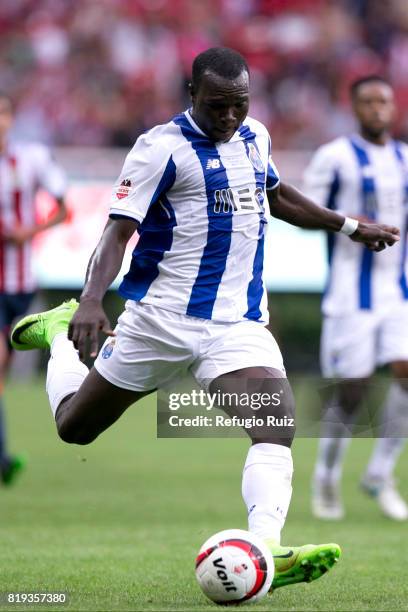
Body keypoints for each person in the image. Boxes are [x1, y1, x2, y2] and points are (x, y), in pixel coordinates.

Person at [11, 49, 399, 591]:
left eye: (240, 105)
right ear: (191, 93)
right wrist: (93, 300)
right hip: (159, 321)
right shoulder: (159, 150)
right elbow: (116, 233)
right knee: (75, 428)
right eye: (218, 106)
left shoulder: (254, 136)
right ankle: (56, 334)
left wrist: (350, 226)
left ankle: (266, 547)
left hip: (237, 325)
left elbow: (278, 196)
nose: (230, 117)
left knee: (276, 422)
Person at [304, 76, 408, 521]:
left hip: (399, 292)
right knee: (353, 392)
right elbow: (303, 211)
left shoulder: (406, 158)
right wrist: (351, 223)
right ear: (354, 107)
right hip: (350, 294)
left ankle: (381, 474)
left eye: (383, 100)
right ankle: (326, 476)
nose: (377, 108)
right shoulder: (335, 157)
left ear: (394, 106)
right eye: (367, 101)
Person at [0, 92, 68, 485]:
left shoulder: (32, 159)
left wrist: (30, 230)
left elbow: (63, 207)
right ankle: (3, 459)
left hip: (21, 285)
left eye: (3, 113)